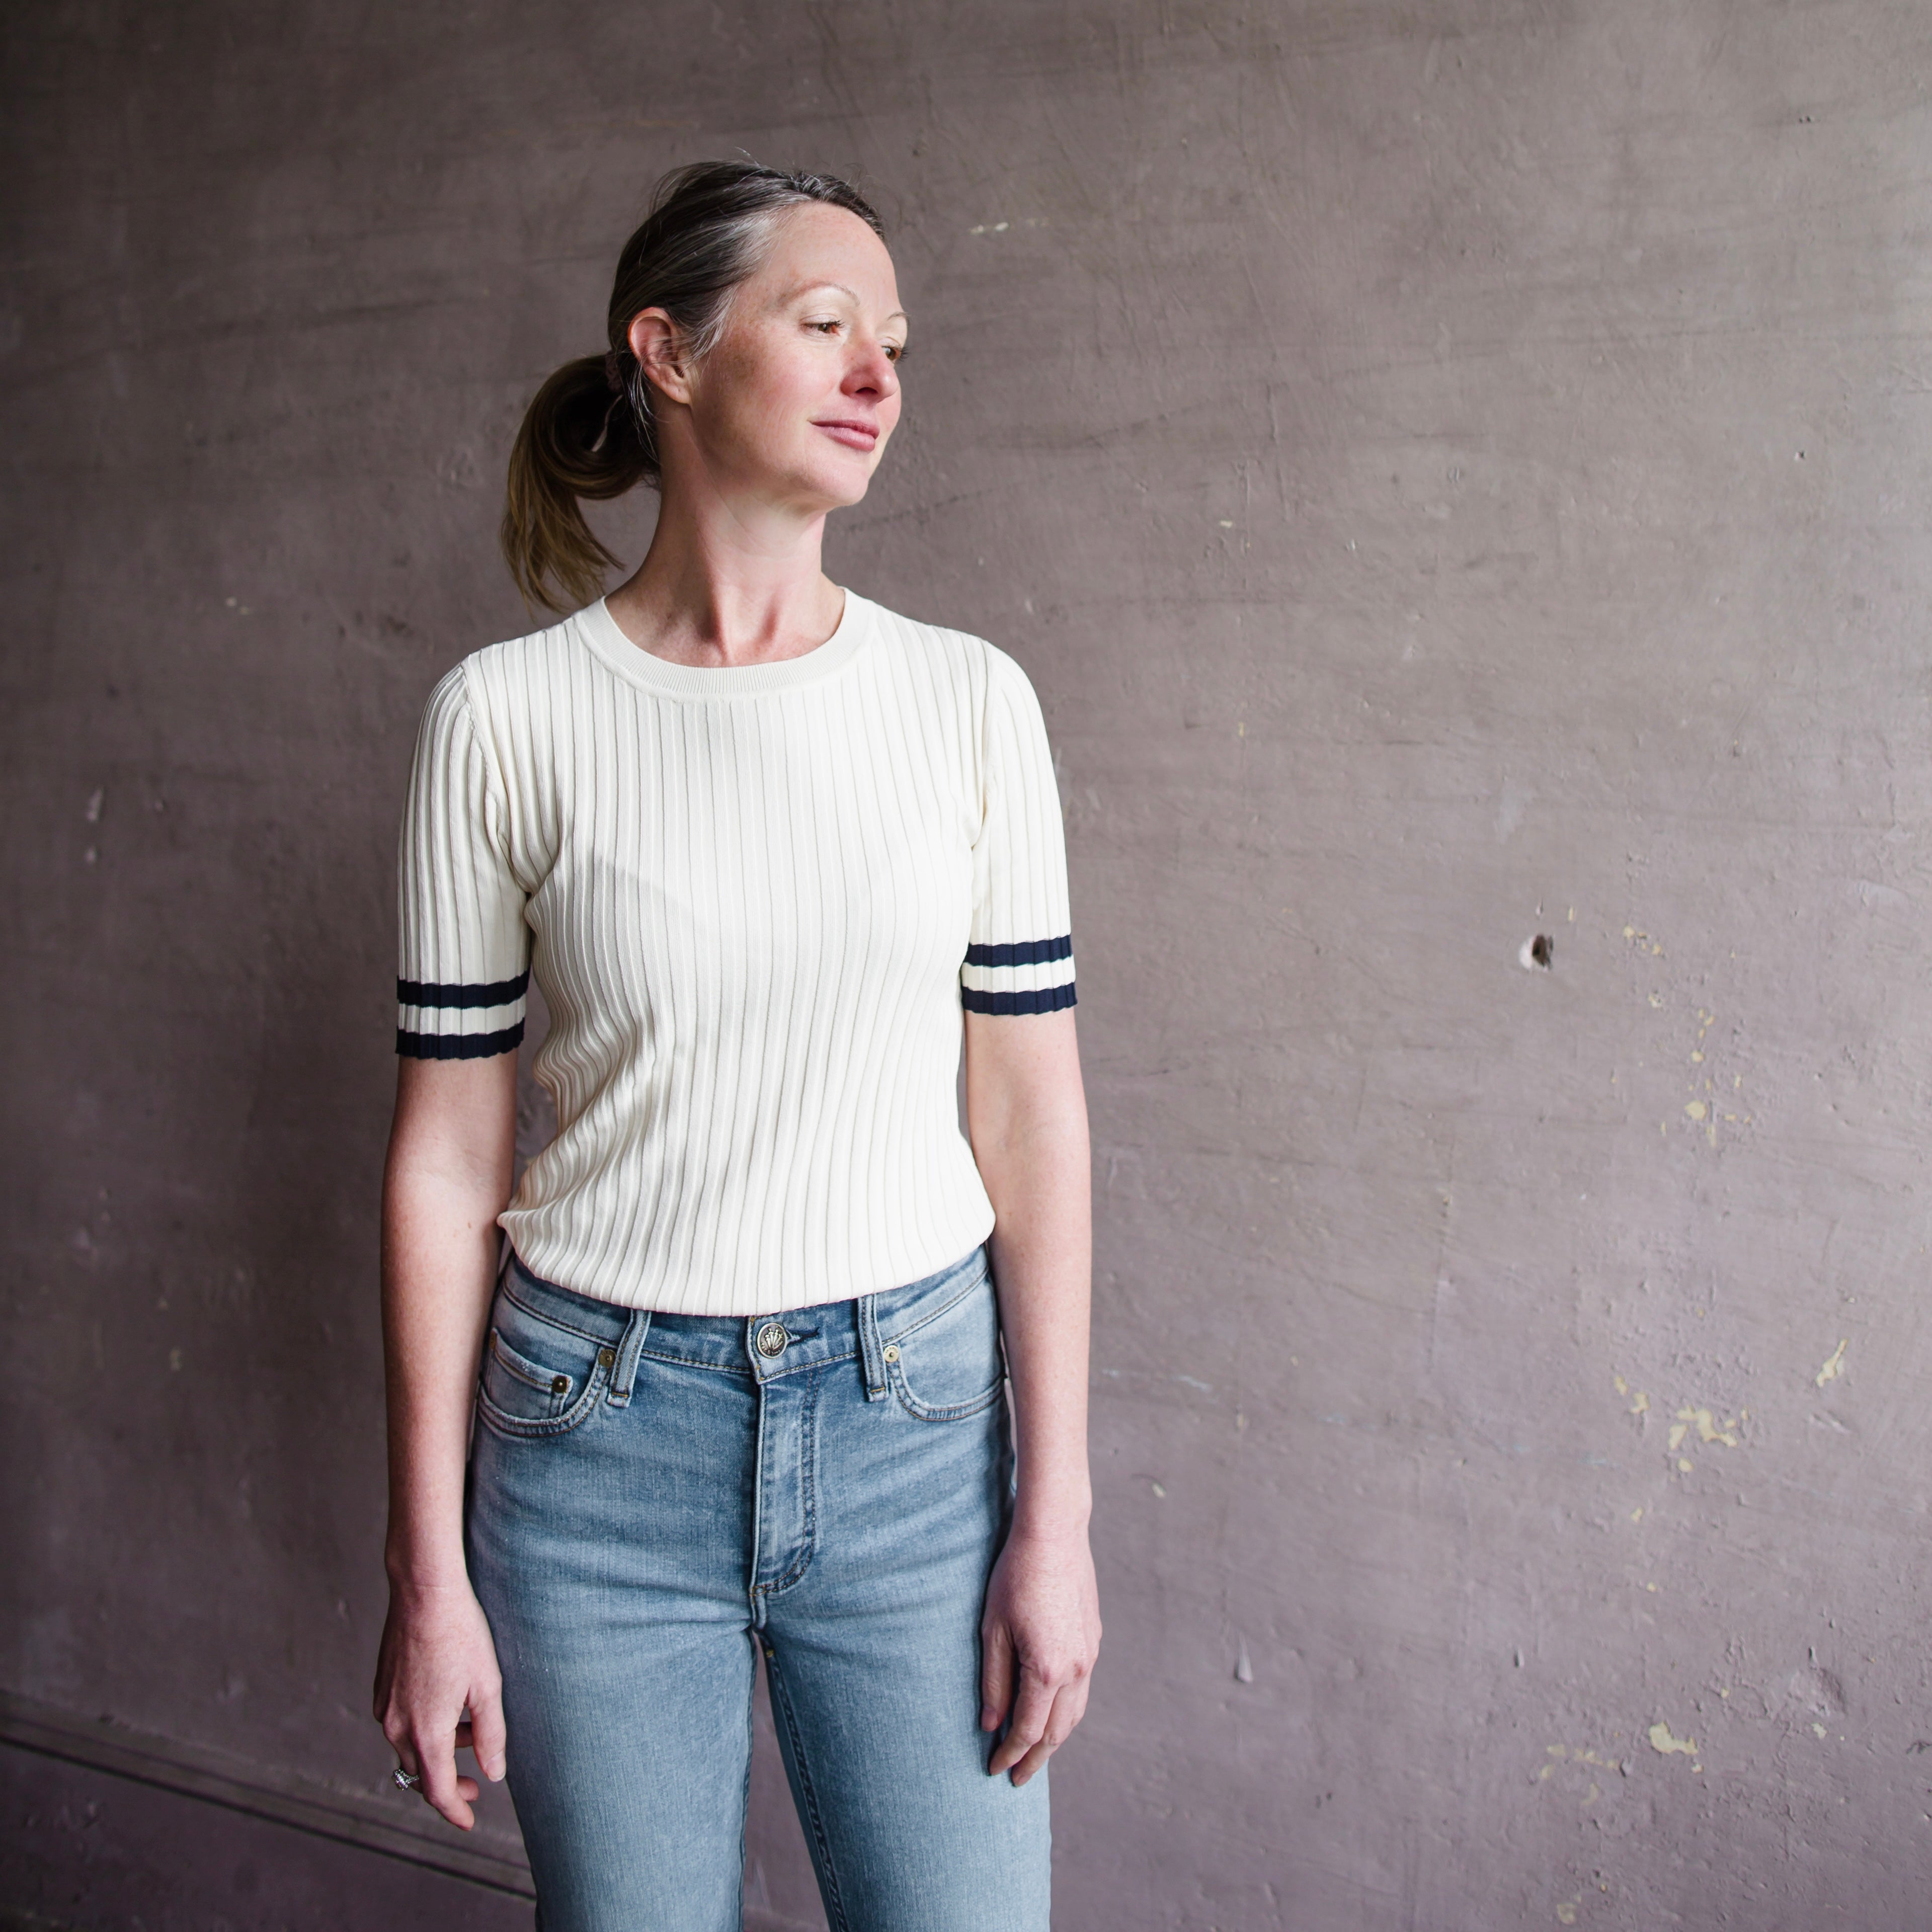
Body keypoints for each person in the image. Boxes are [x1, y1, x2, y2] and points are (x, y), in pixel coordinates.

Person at [370, 161, 1100, 1932]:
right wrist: (425, 1567)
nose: (879, 375)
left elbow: (1033, 1121)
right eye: (826, 321)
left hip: (917, 1427)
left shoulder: (969, 702)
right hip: (591, 1445)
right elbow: (448, 1154)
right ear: (669, 353)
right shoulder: (506, 718)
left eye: (897, 345)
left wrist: (1056, 1517)